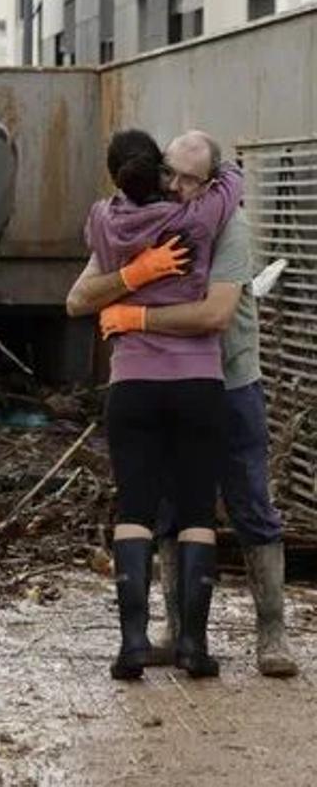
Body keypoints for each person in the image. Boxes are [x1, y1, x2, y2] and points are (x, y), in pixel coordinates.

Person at [67, 131, 299, 678]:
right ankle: (177, 631)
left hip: (232, 379)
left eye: (189, 178)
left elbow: (216, 314)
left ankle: (272, 634)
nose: (175, 185)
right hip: (184, 384)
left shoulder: (227, 225)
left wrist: (137, 316)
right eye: (169, 172)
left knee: (249, 504)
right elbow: (80, 296)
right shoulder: (157, 215)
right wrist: (134, 273)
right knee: (175, 509)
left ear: (211, 181)